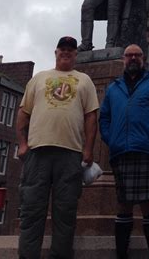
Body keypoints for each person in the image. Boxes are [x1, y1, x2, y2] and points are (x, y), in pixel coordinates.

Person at [16, 36, 99, 259]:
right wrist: (22, 143)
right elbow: (24, 112)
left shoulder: (85, 80)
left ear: (75, 55)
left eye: (70, 50)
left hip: (70, 153)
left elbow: (91, 117)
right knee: (32, 210)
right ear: (56, 52)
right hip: (37, 151)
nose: (66, 52)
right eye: (62, 49)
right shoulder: (39, 78)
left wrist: (88, 149)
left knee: (65, 213)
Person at [99, 44, 149, 259]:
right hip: (121, 153)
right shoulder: (114, 88)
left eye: (137, 55)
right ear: (123, 59)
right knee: (123, 205)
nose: (133, 58)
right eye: (129, 55)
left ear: (143, 59)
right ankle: (121, 255)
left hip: (146, 151)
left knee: (148, 206)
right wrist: (111, 139)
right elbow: (104, 118)